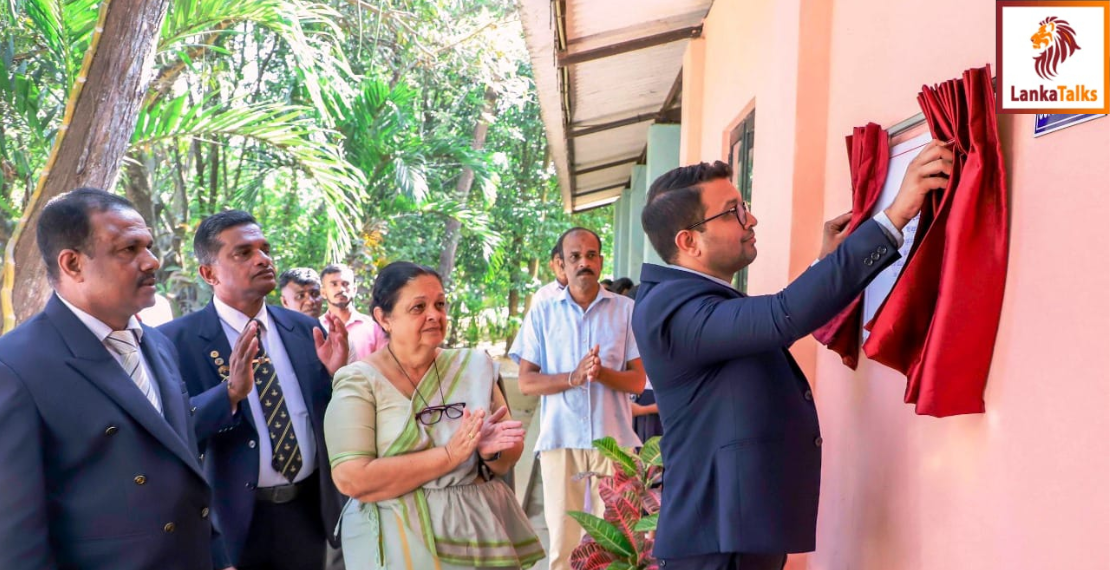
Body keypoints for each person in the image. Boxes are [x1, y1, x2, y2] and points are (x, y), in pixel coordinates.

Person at [632, 145, 953, 570]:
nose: (751, 219)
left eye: (743, 206)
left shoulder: (691, 298)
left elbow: (764, 325)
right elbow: (779, 317)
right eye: (732, 212)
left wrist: (826, 264)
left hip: (737, 528)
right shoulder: (669, 307)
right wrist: (893, 218)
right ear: (688, 241)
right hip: (717, 538)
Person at [0, 188, 217, 570]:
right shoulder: (17, 366)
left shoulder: (159, 344)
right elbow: (16, 536)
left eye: (148, 246)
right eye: (128, 249)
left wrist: (219, 555)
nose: (152, 261)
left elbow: (184, 468)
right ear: (72, 264)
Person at [159, 210, 349, 570]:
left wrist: (338, 376)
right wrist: (228, 394)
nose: (263, 259)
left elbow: (323, 417)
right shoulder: (174, 342)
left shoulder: (304, 329)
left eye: (265, 249)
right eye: (243, 253)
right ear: (208, 273)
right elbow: (170, 433)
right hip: (230, 525)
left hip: (307, 514)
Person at [324, 261, 543, 569]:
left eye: (440, 304)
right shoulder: (359, 380)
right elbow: (351, 477)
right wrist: (449, 455)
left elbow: (506, 456)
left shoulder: (474, 366)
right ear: (383, 318)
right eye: (418, 307)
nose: (435, 315)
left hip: (475, 531)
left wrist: (493, 452)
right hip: (398, 537)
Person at [511, 227, 646, 570]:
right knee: (564, 546)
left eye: (591, 255)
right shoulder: (543, 312)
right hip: (561, 440)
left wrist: (602, 374)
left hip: (614, 443)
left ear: (601, 261)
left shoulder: (627, 311)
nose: (584, 263)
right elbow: (526, 382)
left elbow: (638, 379)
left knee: (620, 545)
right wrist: (573, 377)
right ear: (560, 265)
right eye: (575, 257)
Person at [321, 263, 387, 363]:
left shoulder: (374, 327)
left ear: (354, 290)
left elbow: (386, 365)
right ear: (323, 293)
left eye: (345, 284)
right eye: (334, 284)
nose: (341, 289)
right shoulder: (316, 328)